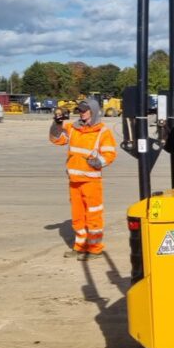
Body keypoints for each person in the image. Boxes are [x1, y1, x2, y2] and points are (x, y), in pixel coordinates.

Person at [49, 98, 117, 260]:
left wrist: (97, 162)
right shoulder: (73, 127)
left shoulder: (102, 131)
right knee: (78, 217)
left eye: (85, 110)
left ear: (93, 112)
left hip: (91, 181)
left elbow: (110, 153)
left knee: (93, 216)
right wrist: (57, 123)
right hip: (74, 180)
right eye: (80, 110)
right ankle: (80, 247)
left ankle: (95, 249)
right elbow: (57, 139)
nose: (82, 113)